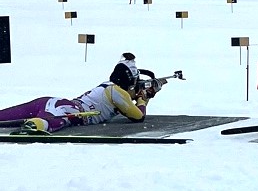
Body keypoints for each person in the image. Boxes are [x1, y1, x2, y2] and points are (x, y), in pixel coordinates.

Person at [1, 52, 160, 135]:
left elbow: (123, 100)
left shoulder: (109, 86)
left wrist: (138, 96)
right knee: (54, 121)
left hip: (52, 101)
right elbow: (138, 116)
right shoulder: (118, 93)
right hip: (70, 110)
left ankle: (36, 122)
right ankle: (35, 126)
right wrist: (143, 99)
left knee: (6, 115)